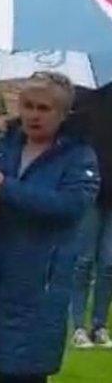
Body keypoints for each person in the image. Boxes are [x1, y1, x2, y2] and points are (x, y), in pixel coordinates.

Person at [0, 72, 100, 382]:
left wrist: (7, 189)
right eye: (29, 106)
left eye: (44, 108)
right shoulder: (2, 146)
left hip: (38, 279)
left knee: (24, 369)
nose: (33, 115)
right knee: (1, 365)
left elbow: (69, 206)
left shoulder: (78, 156)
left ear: (63, 113)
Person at [70, 84, 112, 348]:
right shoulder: (88, 98)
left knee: (109, 264)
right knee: (83, 260)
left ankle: (99, 324)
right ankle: (77, 324)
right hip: (92, 191)